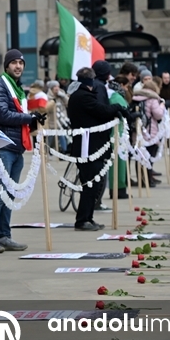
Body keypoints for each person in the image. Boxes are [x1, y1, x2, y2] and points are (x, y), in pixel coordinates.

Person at [0, 49, 34, 252]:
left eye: (21, 63)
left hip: (16, 147)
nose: (18, 66)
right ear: (6, 66)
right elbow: (2, 114)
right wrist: (30, 118)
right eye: (14, 63)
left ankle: (5, 235)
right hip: (3, 147)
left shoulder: (18, 88)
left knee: (10, 194)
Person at [68, 68, 128, 230]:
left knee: (93, 184)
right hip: (88, 148)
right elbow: (101, 110)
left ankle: (88, 217)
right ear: (90, 82)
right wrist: (117, 108)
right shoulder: (83, 97)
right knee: (90, 184)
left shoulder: (81, 95)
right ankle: (82, 220)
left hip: (92, 146)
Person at [93, 60, 130, 201]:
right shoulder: (104, 90)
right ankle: (97, 200)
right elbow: (102, 109)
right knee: (103, 168)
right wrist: (117, 110)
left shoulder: (101, 87)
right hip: (106, 133)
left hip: (108, 132)